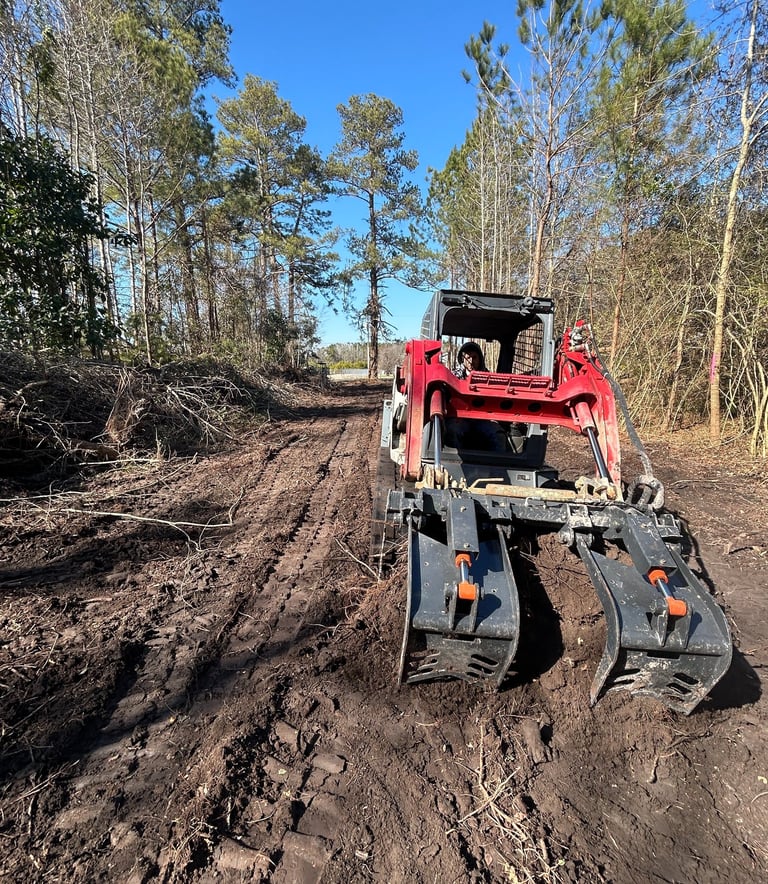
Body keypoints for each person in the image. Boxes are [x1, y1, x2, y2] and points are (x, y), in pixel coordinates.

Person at [446, 341, 507, 451]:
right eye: (468, 358)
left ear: (480, 359)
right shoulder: (453, 376)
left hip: (482, 419)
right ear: (462, 359)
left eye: (474, 357)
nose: (471, 362)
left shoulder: (488, 377)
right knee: (452, 430)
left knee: (498, 435)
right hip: (460, 418)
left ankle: (496, 467)